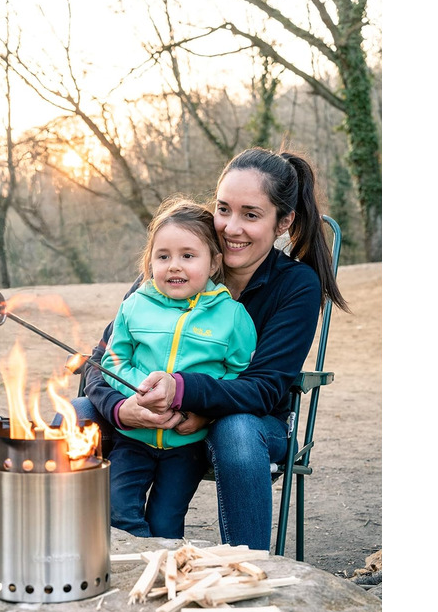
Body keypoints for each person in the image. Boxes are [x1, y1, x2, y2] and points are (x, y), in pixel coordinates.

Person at [76, 146, 349, 551]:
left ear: (283, 222)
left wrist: (189, 398)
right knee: (80, 411)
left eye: (251, 215)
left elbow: (264, 389)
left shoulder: (295, 286)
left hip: (252, 426)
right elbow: (99, 362)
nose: (230, 227)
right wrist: (122, 407)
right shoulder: (172, 272)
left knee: (234, 429)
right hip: (149, 421)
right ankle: (84, 550)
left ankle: (247, 565)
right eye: (223, 209)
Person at [97, 197, 257, 539]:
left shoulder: (232, 317)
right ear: (150, 261)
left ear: (214, 263)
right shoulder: (135, 306)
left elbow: (240, 375)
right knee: (117, 509)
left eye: (188, 255)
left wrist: (203, 410)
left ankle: (163, 575)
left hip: (187, 443)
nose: (174, 266)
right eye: (163, 256)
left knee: (167, 522)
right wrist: (140, 393)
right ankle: (138, 568)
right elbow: (113, 360)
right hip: (133, 436)